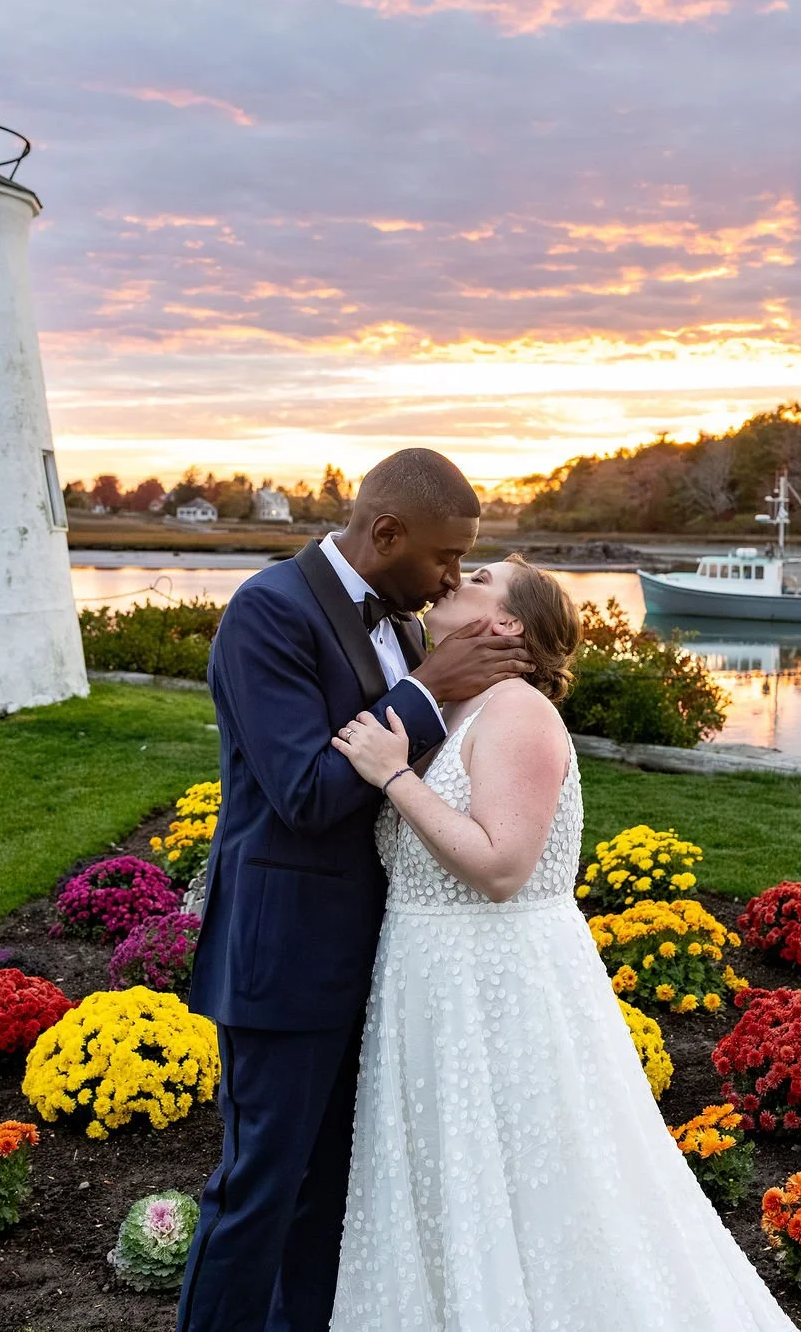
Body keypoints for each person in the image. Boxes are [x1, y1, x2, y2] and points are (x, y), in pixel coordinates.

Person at [325, 558, 799, 1332]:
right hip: (431, 991)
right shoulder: (459, 713)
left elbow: (502, 866)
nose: (451, 578)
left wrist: (391, 777)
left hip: (499, 991)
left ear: (509, 624)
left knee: (536, 1193)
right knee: (452, 1189)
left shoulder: (517, 711)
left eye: (476, 577)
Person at [180, 448, 532, 1332]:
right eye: (447, 557)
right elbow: (304, 792)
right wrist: (425, 690)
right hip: (287, 960)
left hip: (374, 960)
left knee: (330, 1198)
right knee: (259, 1191)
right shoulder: (269, 611)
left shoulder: (407, 624)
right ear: (386, 533)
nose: (453, 575)